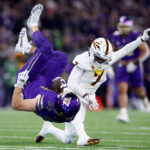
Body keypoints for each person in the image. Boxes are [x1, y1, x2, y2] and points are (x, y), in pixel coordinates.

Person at [36, 7, 150, 145]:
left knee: (68, 138)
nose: (104, 62)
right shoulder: (83, 60)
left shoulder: (106, 59)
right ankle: (83, 137)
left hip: (87, 95)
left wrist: (142, 38)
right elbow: (71, 83)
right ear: (93, 53)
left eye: (106, 59)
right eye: (101, 58)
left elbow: (125, 50)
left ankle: (48, 128)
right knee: (75, 108)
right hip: (73, 93)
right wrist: (86, 96)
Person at [13, 4, 100, 146]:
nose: (65, 93)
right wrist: (83, 135)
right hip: (43, 84)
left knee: (46, 49)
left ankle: (33, 25)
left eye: (64, 95)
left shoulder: (45, 101)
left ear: (59, 100)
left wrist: (19, 84)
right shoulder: (66, 114)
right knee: (61, 58)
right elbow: (72, 115)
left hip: (29, 81)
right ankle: (26, 47)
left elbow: (16, 105)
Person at [111, 16, 150, 122]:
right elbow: (111, 52)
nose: (123, 28)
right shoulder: (115, 36)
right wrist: (108, 65)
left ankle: (146, 101)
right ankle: (123, 113)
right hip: (122, 65)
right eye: (121, 26)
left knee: (139, 90)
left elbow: (146, 51)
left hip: (135, 66)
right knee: (122, 88)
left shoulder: (136, 35)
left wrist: (136, 62)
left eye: (125, 26)